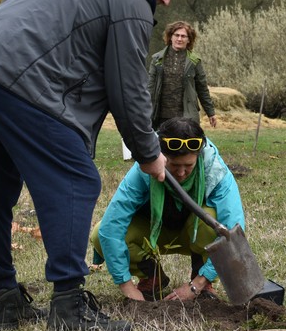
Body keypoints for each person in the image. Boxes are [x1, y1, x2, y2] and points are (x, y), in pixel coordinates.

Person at [0, 0, 187, 331]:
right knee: (76, 178)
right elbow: (128, 90)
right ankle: (69, 306)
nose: (166, 2)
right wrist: (149, 154)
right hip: (20, 79)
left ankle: (5, 299)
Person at [90, 117, 245, 302]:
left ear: (199, 156)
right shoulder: (144, 170)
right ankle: (152, 277)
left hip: (194, 236)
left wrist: (198, 283)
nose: (181, 173)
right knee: (99, 233)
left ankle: (204, 283)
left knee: (213, 221)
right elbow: (111, 228)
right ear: (161, 157)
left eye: (188, 166)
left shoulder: (215, 171)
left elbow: (233, 233)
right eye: (174, 165)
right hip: (153, 236)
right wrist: (126, 286)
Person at [148, 21, 218, 130]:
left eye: (183, 36)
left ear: (189, 40)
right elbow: (150, 87)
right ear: (170, 37)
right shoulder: (157, 59)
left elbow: (202, 89)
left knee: (185, 145)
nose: (179, 39)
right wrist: (142, 111)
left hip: (186, 116)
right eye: (176, 35)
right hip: (159, 116)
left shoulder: (195, 61)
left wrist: (211, 113)